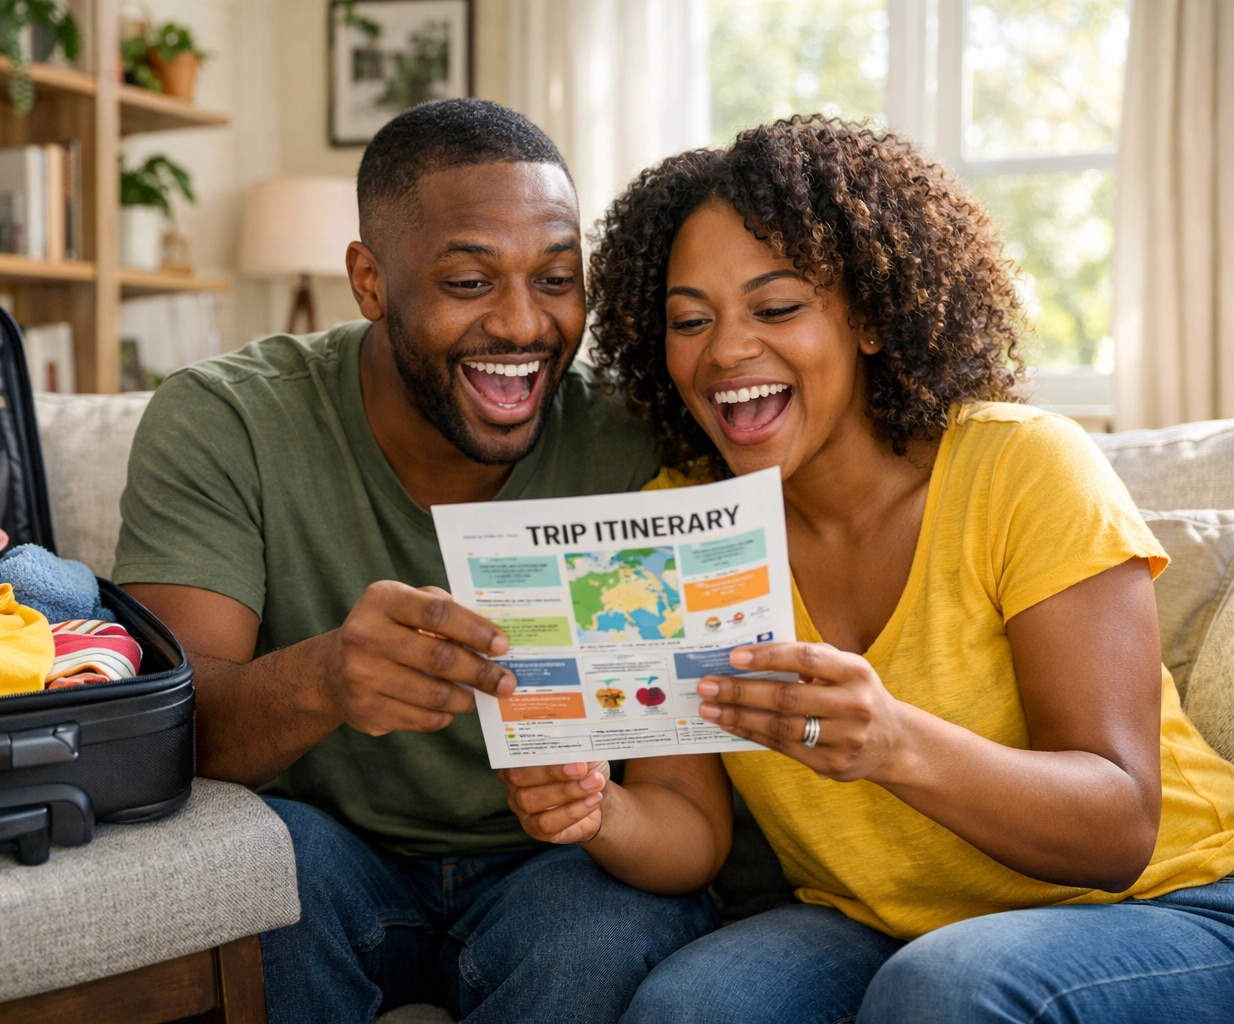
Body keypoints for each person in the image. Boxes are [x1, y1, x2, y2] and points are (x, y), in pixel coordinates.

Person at [499, 117, 1234, 1024]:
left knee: (949, 987)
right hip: (882, 925)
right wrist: (595, 809)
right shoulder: (681, 526)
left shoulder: (1021, 467)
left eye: (776, 308)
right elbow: (688, 832)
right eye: (691, 321)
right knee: (692, 1008)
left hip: (1167, 905)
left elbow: (1119, 830)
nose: (726, 350)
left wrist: (894, 743)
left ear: (873, 319)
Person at [113, 98, 718, 1024]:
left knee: (604, 930)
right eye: (470, 283)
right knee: (260, 871)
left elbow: (683, 790)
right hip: (332, 854)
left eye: (557, 279)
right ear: (369, 281)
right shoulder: (224, 420)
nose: (523, 325)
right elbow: (165, 741)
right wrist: (324, 679)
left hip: (557, 866)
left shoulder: (633, 439)